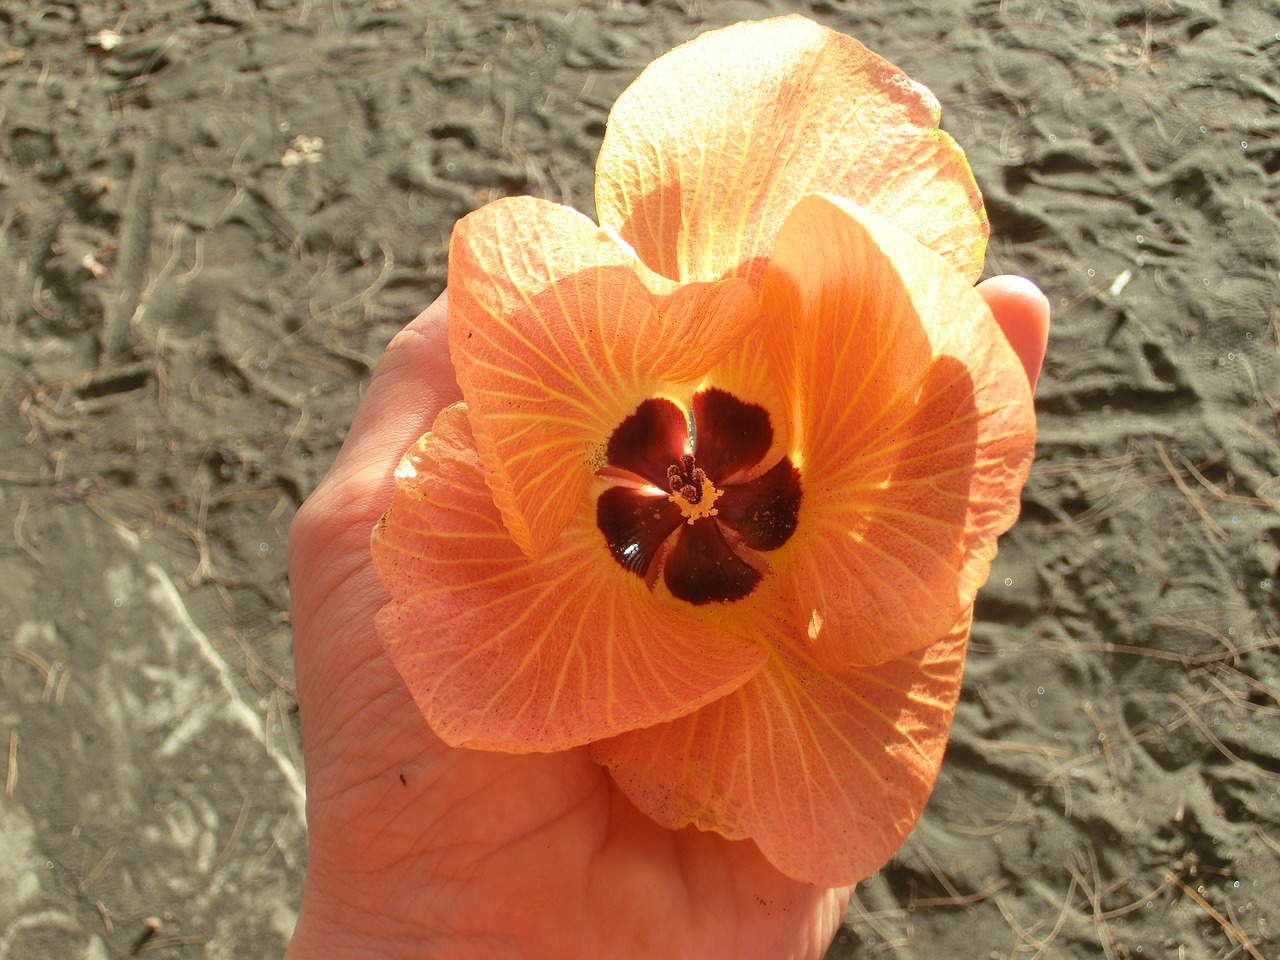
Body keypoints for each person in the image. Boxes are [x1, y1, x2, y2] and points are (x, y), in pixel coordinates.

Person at [284, 277, 1050, 959]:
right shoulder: (557, 567)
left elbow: (839, 772)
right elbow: (473, 633)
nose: (698, 493)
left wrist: (406, 929)